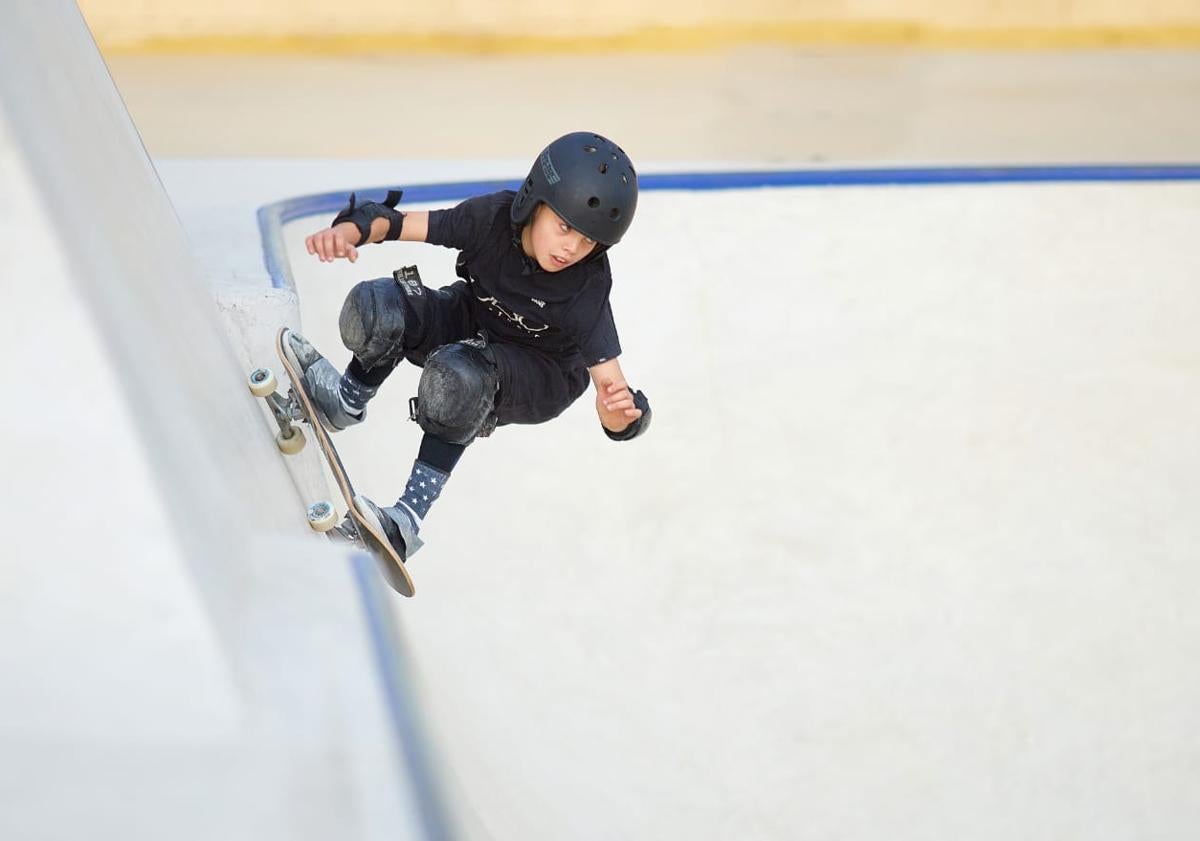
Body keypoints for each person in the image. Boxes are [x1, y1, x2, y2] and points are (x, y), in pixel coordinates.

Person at [288, 131, 652, 562]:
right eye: (565, 226)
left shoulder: (585, 286)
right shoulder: (491, 219)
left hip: (540, 374)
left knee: (459, 376)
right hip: (474, 320)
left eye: (588, 240)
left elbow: (615, 388)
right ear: (535, 202)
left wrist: (619, 418)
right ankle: (344, 402)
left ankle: (405, 522)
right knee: (378, 307)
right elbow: (402, 224)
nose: (572, 247)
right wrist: (352, 229)